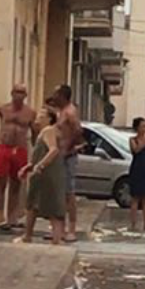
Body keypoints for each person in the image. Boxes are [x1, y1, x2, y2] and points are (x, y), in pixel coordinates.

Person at [0, 84, 37, 230]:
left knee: (16, 184)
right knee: (1, 182)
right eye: (17, 92)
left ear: (26, 95)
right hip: (4, 147)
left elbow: (35, 132)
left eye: (22, 92)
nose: (19, 95)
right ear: (12, 93)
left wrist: (35, 153)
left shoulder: (30, 112)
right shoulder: (3, 108)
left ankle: (12, 218)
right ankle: (1, 218)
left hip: (20, 149)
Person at [16, 105, 65, 244]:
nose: (38, 118)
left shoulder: (48, 130)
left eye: (41, 116)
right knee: (34, 205)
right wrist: (29, 166)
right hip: (44, 173)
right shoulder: (48, 131)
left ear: (49, 119)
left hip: (46, 174)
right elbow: (40, 153)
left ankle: (53, 238)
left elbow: (53, 150)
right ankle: (29, 235)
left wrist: (40, 165)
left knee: (47, 206)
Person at [53, 84, 84, 243]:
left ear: (62, 95)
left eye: (55, 93)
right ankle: (61, 229)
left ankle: (71, 229)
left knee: (69, 193)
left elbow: (78, 131)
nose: (53, 96)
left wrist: (68, 148)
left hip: (68, 157)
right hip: (61, 156)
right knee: (61, 193)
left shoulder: (70, 112)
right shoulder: (62, 111)